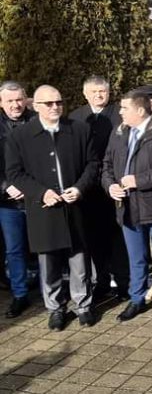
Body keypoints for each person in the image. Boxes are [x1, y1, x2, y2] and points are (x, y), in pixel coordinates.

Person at [5, 85, 98, 330]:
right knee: (49, 264)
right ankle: (56, 308)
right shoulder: (20, 136)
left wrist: (79, 188)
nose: (55, 107)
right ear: (34, 106)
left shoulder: (78, 129)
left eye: (58, 102)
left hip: (74, 205)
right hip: (43, 209)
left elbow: (92, 163)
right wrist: (41, 192)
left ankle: (83, 306)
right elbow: (15, 173)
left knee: (79, 261)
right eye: (48, 103)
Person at [102, 89, 152, 326]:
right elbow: (106, 164)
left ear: (139, 110)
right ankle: (136, 299)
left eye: (124, 108)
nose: (120, 112)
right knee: (136, 258)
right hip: (127, 206)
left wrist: (138, 180)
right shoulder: (119, 132)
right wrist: (110, 187)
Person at [69, 76, 129, 302]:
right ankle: (101, 282)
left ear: (109, 92)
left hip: (114, 186)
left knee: (118, 238)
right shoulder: (75, 118)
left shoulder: (120, 115)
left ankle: (124, 284)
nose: (98, 95)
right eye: (93, 92)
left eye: (102, 91)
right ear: (85, 94)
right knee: (93, 239)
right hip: (88, 190)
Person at [0, 81, 35, 318]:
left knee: (46, 247)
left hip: (36, 196)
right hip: (7, 200)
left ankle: (52, 291)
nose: (15, 105)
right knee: (14, 250)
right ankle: (20, 294)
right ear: (1, 103)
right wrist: (6, 187)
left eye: (19, 99)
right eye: (10, 101)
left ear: (26, 99)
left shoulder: (36, 120)